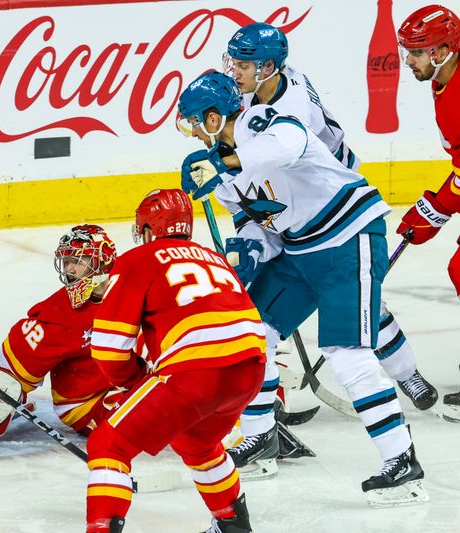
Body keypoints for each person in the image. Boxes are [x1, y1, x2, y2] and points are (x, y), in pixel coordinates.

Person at [176, 71, 428, 507]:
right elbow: (256, 223)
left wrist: (227, 163)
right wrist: (248, 254)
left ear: (215, 118)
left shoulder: (260, 122)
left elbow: (289, 143)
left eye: (195, 123)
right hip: (298, 249)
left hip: (348, 236)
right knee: (252, 331)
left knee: (346, 354)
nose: (193, 133)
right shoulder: (218, 167)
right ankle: (262, 438)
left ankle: (401, 460)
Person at [85, 188, 265, 533]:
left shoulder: (138, 259)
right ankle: (233, 526)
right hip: (250, 370)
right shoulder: (213, 257)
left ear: (149, 228)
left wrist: (135, 381)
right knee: (197, 444)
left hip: (194, 373)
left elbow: (108, 348)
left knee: (108, 444)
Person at [0, 224, 125, 454]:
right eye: (66, 261)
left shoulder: (130, 287)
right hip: (88, 402)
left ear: (103, 260)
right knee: (149, 410)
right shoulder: (61, 314)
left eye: (78, 261)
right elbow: (20, 354)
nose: (69, 269)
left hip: (123, 381)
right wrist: (2, 397)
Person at [396, 4, 460, 422]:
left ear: (442, 51)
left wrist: (435, 208)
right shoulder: (444, 83)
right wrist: (434, 207)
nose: (408, 61)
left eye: (417, 52)